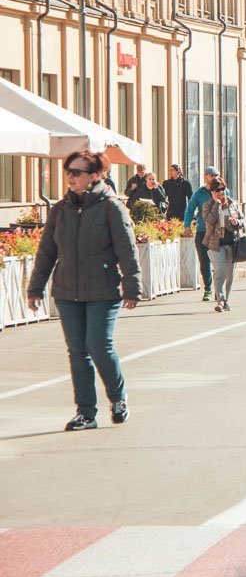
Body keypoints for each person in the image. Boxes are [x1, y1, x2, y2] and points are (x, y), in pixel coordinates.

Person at [28, 150, 140, 431]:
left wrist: (132, 287)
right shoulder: (60, 209)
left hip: (103, 290)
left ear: (95, 176)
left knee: (99, 346)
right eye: (68, 171)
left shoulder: (111, 208)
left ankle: (118, 398)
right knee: (77, 352)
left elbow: (127, 251)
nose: (70, 177)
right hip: (67, 292)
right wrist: (36, 288)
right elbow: (46, 252)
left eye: (76, 172)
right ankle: (86, 413)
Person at [202, 176, 243, 312]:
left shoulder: (233, 204)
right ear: (213, 192)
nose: (221, 192)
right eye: (217, 190)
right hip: (215, 244)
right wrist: (217, 204)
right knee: (220, 272)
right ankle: (220, 300)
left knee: (230, 275)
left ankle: (227, 301)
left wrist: (237, 222)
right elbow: (210, 220)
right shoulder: (208, 205)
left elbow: (242, 220)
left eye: (223, 189)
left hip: (232, 243)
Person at [183, 166, 223, 302]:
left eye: (217, 175)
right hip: (202, 231)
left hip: (218, 232)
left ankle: (219, 290)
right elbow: (190, 209)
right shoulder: (199, 193)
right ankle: (208, 289)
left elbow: (230, 207)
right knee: (204, 261)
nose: (215, 178)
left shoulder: (223, 190)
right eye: (212, 175)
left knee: (219, 262)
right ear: (206, 176)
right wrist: (187, 226)